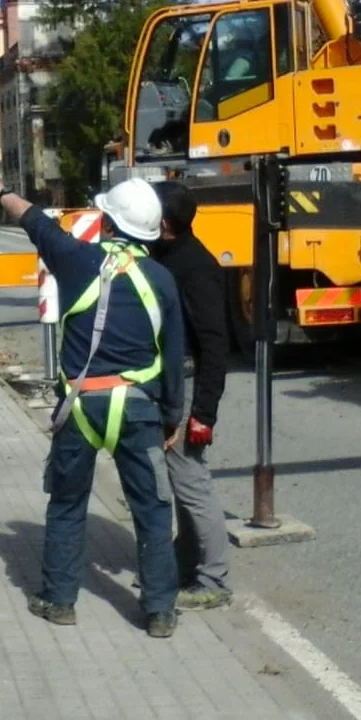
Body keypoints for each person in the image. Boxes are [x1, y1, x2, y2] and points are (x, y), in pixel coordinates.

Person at [0, 174, 186, 638]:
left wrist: (0, 192)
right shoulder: (162, 280)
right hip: (138, 410)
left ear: (107, 222)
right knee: (152, 510)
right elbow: (173, 357)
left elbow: (35, 221)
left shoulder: (76, 259)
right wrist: (172, 417)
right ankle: (159, 612)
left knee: (68, 504)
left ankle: (60, 601)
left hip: (81, 407)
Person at [151, 181, 233, 611]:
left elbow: (215, 344)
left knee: (192, 483)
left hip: (186, 387)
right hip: (169, 382)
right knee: (182, 484)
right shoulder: (162, 254)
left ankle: (214, 579)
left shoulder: (196, 267)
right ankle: (184, 567)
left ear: (165, 223)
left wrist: (203, 412)